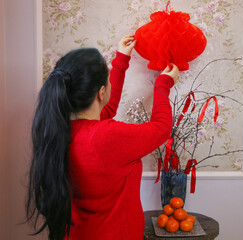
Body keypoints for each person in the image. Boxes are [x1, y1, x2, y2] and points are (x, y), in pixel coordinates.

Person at [26, 35, 180, 240]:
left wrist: (121, 61)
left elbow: (108, 107)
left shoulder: (61, 129)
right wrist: (163, 85)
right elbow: (161, 128)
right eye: (107, 81)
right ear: (100, 92)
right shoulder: (107, 137)